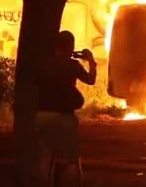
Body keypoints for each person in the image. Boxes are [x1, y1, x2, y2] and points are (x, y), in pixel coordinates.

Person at [36, 30, 97, 187]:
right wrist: (91, 61)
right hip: (63, 118)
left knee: (45, 158)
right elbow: (90, 80)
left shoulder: (43, 64)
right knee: (70, 160)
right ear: (70, 46)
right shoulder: (72, 65)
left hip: (41, 116)